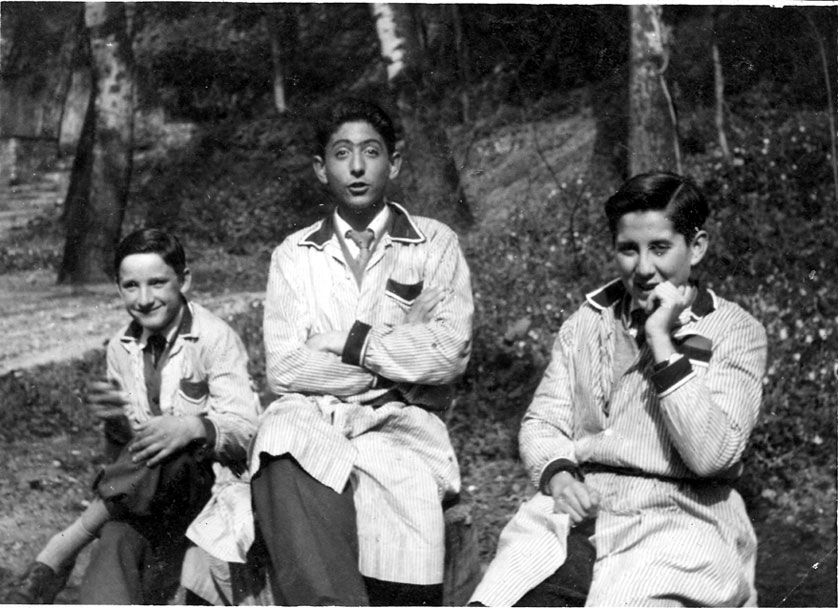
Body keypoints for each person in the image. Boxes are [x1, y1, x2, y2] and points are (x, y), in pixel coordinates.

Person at [183, 97, 474, 606]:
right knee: (280, 444)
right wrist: (392, 369)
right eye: (341, 153)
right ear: (321, 168)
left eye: (371, 152)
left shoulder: (434, 244)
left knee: (402, 508)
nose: (357, 167)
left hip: (400, 421)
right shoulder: (294, 254)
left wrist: (349, 343)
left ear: (395, 162)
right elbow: (287, 368)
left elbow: (449, 352)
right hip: (312, 414)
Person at [470, 171, 767, 607]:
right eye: (629, 249)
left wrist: (663, 342)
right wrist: (558, 473)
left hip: (681, 523)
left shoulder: (734, 331)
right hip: (580, 516)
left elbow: (712, 454)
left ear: (697, 246)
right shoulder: (587, 322)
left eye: (660, 248)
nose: (644, 269)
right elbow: (543, 421)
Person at [12, 228, 260, 604]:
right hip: (149, 498)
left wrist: (194, 425)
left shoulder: (214, 338)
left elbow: (246, 429)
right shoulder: (121, 347)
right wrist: (115, 425)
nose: (144, 299)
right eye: (131, 286)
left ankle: (63, 546)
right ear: (118, 288)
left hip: (208, 489)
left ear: (185, 280)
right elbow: (125, 454)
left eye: (158, 283)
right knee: (113, 539)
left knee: (172, 444)